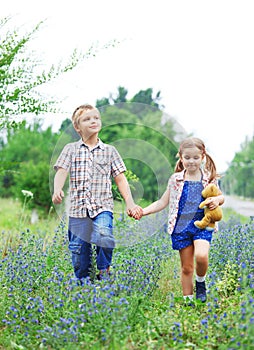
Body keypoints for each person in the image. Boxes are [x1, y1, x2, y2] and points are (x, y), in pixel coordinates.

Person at [52, 104, 142, 283]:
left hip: (102, 207)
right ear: (78, 127)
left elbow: (121, 179)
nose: (93, 121)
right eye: (87, 119)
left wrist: (130, 203)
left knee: (104, 234)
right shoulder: (71, 149)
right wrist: (57, 188)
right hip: (78, 210)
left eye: (96, 118)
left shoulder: (110, 151)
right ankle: (83, 285)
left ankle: (104, 270)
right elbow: (61, 171)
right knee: (79, 252)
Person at [129, 137, 224, 303]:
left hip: (203, 225)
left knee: (201, 257)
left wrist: (217, 200)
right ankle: (188, 301)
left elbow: (220, 197)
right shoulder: (175, 180)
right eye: (187, 158)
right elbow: (162, 202)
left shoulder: (209, 178)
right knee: (187, 267)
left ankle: (200, 282)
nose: (191, 161)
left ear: (203, 156)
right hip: (181, 228)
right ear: (181, 157)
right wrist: (143, 211)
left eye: (195, 157)